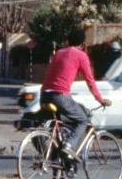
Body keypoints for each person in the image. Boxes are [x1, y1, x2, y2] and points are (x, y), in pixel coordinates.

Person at [40, 28, 108, 162]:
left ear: (67, 41)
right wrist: (100, 99)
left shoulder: (58, 53)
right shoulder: (81, 55)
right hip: (60, 96)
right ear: (83, 44)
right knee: (83, 119)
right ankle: (69, 145)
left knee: (73, 114)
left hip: (44, 95)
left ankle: (60, 162)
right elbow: (90, 80)